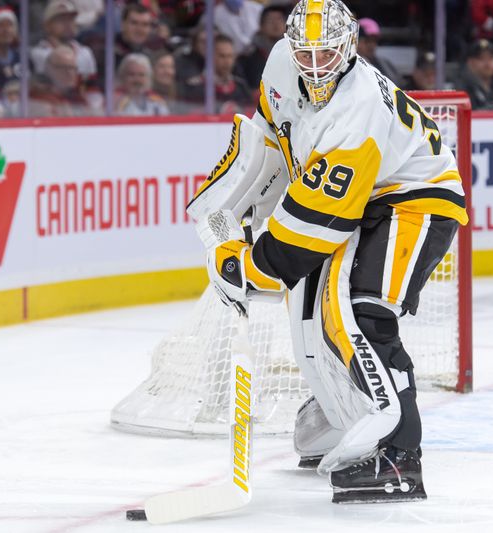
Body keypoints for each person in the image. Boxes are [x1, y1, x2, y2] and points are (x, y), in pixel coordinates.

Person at [190, 0, 467, 504]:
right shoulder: (280, 62)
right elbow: (273, 140)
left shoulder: (356, 110)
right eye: (306, 53)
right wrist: (238, 207)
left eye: (327, 53)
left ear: (350, 48)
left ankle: (397, 455)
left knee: (364, 312)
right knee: (316, 304)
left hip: (416, 199)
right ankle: (341, 414)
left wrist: (252, 266)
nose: (315, 65)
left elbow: (317, 224)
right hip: (364, 199)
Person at [180, 34, 252, 113]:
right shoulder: (193, 88)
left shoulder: (241, 88)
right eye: (222, 56)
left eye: (230, 56)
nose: (227, 61)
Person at [29, 45, 92, 117]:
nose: (70, 73)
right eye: (64, 67)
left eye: (73, 68)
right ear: (49, 70)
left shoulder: (79, 98)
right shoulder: (37, 98)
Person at [236, 5, 287, 92]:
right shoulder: (248, 55)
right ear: (261, 25)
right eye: (271, 20)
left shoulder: (293, 54)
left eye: (279, 19)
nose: (276, 23)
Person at [459, 39, 493, 110]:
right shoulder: (463, 91)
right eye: (481, 58)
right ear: (470, 62)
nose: (487, 63)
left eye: (491, 58)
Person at [355, 17, 403, 87]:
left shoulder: (385, 63)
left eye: (375, 41)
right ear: (356, 41)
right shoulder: (349, 65)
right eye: (367, 41)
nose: (372, 45)